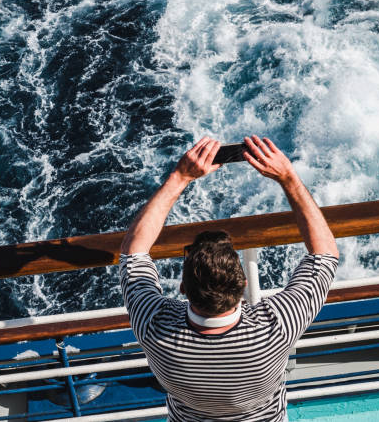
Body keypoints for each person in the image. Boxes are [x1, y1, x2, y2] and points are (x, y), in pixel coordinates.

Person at [119, 135, 339, 421]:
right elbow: (325, 255)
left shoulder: (153, 324)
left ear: (183, 287)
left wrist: (179, 177)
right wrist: (288, 178)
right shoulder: (276, 327)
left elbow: (133, 252)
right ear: (243, 286)